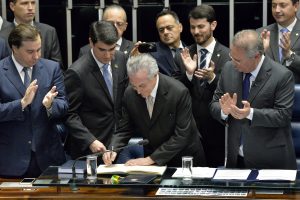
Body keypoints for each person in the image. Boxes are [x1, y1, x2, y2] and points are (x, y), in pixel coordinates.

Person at [210, 29, 296, 169]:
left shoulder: (282, 76)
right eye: (232, 57)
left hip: (270, 160)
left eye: (238, 60)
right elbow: (214, 103)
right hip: (236, 158)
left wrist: (250, 113)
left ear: (256, 56)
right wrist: (223, 111)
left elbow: (283, 116)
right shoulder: (228, 68)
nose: (233, 63)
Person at [103, 53, 206, 167]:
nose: (137, 91)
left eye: (142, 86)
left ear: (155, 75)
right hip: (153, 157)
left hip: (184, 157)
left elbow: (182, 135)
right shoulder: (130, 94)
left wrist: (150, 159)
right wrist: (113, 148)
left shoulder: (178, 92)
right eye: (134, 85)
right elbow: (124, 129)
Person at [0, 24, 68, 178]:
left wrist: (51, 105)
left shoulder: (52, 68)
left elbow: (64, 105)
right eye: (30, 51)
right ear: (14, 48)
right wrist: (21, 104)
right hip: (11, 160)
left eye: (39, 49)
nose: (36, 56)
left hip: (48, 158)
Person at [64, 21, 128, 159]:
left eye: (112, 49)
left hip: (118, 144)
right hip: (91, 149)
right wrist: (90, 140)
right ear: (91, 43)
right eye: (102, 49)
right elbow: (69, 113)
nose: (108, 55)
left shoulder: (121, 58)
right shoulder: (77, 72)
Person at [178, 5, 230, 168]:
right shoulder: (183, 55)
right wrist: (188, 74)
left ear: (213, 25)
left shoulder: (228, 55)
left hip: (217, 132)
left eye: (201, 26)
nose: (196, 31)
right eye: (193, 27)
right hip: (189, 134)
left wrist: (212, 78)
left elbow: (230, 91)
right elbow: (174, 92)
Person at [0, 0, 63, 68]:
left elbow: (58, 69)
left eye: (33, 3)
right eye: (24, 3)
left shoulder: (48, 32)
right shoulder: (2, 36)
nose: (30, 7)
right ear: (12, 6)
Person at [257, 0, 300, 83]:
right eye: (274, 6)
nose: (277, 10)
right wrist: (261, 54)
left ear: (296, 6)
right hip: (267, 92)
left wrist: (290, 56)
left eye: (282, 5)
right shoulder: (261, 33)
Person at [150, 10, 185, 79]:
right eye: (161, 30)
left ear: (180, 27)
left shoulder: (192, 51)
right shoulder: (152, 53)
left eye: (169, 28)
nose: (165, 32)